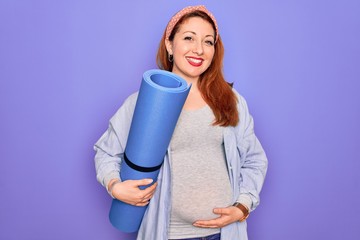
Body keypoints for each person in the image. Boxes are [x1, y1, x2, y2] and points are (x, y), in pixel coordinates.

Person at [94, 5, 268, 240]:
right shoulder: (143, 103)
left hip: (225, 233)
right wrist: (114, 186)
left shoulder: (231, 101)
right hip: (170, 234)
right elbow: (106, 152)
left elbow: (255, 160)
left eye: (208, 42)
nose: (199, 50)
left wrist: (243, 206)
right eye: (189, 38)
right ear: (169, 44)